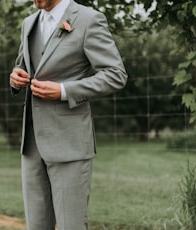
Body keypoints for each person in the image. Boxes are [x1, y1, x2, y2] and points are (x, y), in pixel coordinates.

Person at [9, 0, 127, 229]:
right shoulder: (28, 23)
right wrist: (15, 77)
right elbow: (22, 65)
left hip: (69, 143)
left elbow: (115, 74)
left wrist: (64, 91)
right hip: (32, 146)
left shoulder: (89, 19)